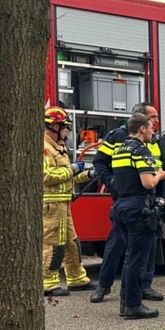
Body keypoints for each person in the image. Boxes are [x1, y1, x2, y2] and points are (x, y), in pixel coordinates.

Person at [91, 104, 165, 306]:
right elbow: (100, 162)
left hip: (150, 201)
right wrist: (113, 183)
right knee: (117, 245)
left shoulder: (158, 139)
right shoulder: (118, 137)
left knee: (148, 248)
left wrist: (163, 191)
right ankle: (105, 285)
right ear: (141, 121)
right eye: (152, 118)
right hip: (131, 199)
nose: (156, 122)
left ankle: (144, 287)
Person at [110, 113, 165, 319]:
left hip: (121, 206)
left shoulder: (119, 150)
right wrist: (160, 175)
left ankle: (125, 302)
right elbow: (147, 183)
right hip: (138, 207)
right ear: (142, 129)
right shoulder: (140, 151)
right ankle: (134, 305)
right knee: (138, 259)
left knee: (129, 257)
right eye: (151, 127)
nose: (154, 131)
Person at [42, 107, 97, 297]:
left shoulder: (58, 147)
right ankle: (48, 282)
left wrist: (88, 174)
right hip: (51, 205)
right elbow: (45, 176)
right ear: (54, 126)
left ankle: (76, 278)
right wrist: (72, 170)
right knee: (53, 244)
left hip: (63, 203)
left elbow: (66, 177)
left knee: (71, 242)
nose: (66, 131)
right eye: (64, 127)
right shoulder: (44, 148)